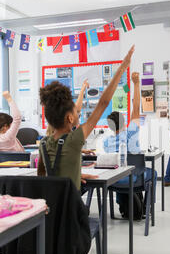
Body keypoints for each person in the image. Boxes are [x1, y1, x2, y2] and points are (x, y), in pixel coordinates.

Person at [37, 45, 135, 189]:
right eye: (76, 112)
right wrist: (122, 67)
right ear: (70, 118)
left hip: (52, 205)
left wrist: (74, 175)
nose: (79, 112)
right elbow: (103, 103)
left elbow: (43, 175)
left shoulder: (44, 143)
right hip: (71, 207)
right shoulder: (74, 139)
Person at [103, 71, 157, 211]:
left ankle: (122, 205)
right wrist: (136, 83)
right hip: (133, 180)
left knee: (121, 170)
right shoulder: (131, 132)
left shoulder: (106, 143)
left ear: (109, 126)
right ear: (123, 121)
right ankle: (147, 208)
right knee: (153, 173)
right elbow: (136, 107)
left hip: (114, 181)